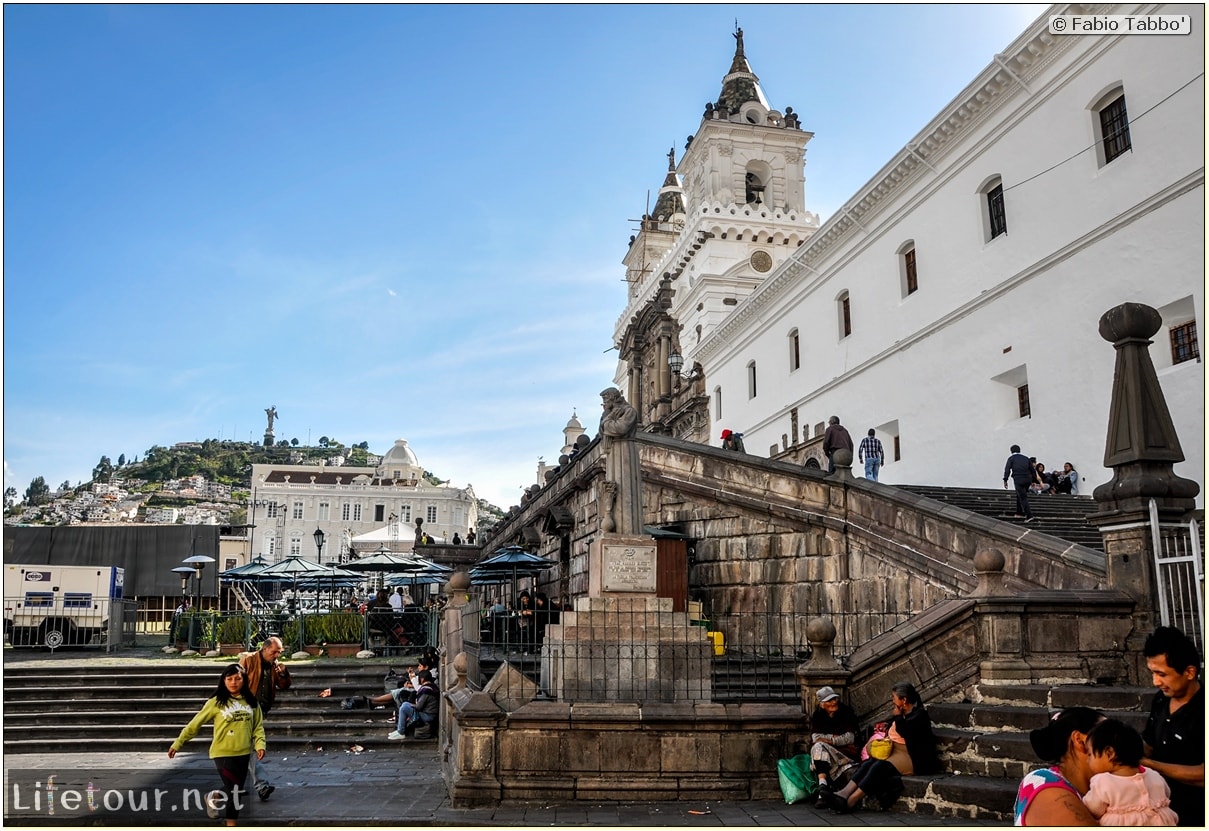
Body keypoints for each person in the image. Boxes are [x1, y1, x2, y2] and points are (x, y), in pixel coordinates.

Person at [169, 664, 266, 826]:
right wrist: (178, 743)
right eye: (229, 679)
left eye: (237, 679)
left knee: (235, 788)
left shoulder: (252, 702)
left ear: (244, 680)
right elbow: (195, 724)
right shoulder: (216, 702)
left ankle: (213, 796)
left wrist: (260, 745)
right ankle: (231, 824)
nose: (233, 682)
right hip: (222, 754)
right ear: (223, 681)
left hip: (244, 753)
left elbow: (258, 727)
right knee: (236, 791)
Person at [824, 681, 940, 813]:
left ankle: (851, 802)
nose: (892, 700)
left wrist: (897, 716)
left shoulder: (919, 715)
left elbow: (905, 732)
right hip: (897, 752)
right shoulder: (903, 712)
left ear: (904, 700)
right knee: (869, 763)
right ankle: (843, 794)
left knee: (879, 767)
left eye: (894, 697)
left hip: (912, 757)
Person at [1140, 626, 1203, 827]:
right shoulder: (1160, 701)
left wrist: (1150, 764)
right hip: (1160, 810)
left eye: (1162, 674)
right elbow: (1148, 744)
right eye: (1152, 673)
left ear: (1189, 672)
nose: (1156, 681)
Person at [1014, 706, 1106, 825]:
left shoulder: (1105, 786)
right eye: (1109, 735)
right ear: (1080, 741)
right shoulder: (1042, 781)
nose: (1121, 742)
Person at [1083, 717, 1179, 825]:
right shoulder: (1154, 775)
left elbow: (1092, 810)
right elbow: (1166, 793)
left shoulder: (1103, 781)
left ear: (1110, 753)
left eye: (1090, 755)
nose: (1087, 760)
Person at [238, 636, 290, 801]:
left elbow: (284, 686)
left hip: (261, 711)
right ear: (265, 648)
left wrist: (283, 674)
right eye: (275, 652)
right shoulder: (249, 660)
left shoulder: (274, 666)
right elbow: (235, 681)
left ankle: (234, 786)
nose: (277, 655)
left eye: (279, 653)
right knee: (251, 748)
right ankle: (261, 785)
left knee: (244, 749)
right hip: (246, 710)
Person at [808, 686, 861, 806]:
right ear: (822, 704)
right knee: (818, 747)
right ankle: (823, 789)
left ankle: (822, 789)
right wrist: (836, 737)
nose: (833, 702)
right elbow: (815, 738)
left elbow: (850, 738)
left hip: (845, 753)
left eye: (834, 699)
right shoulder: (818, 715)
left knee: (819, 747)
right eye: (829, 700)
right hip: (827, 753)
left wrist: (830, 740)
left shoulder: (846, 713)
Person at [387, 669, 439, 740]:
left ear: (422, 679)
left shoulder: (427, 691)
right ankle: (399, 730)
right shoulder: (431, 687)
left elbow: (418, 707)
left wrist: (411, 705)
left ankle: (401, 732)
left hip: (428, 716)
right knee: (405, 704)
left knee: (404, 708)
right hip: (428, 713)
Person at [1003, 444, 1037, 522]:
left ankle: (1029, 515)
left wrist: (1005, 480)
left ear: (1011, 451)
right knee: (1020, 494)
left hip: (1018, 479)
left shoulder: (1011, 458)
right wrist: (1033, 481)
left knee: (1023, 497)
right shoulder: (1026, 458)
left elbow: (1007, 469)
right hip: (1028, 479)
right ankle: (1019, 512)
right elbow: (1032, 470)